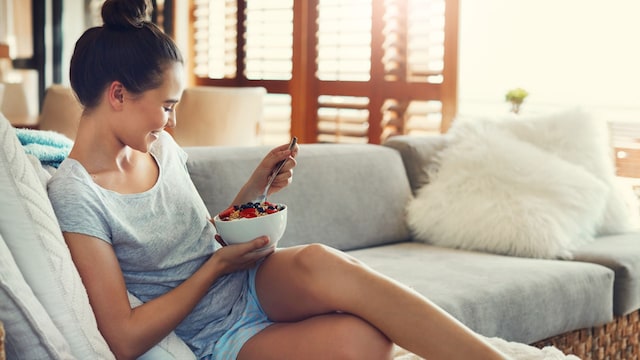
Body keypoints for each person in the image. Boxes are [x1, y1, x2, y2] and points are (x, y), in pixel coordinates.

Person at [47, 0, 511, 359]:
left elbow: (200, 236)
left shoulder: (161, 151)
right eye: (167, 106)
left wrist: (255, 191)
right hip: (212, 333)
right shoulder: (77, 193)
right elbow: (123, 338)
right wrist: (214, 268)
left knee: (323, 262)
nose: (171, 123)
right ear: (118, 95)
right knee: (366, 345)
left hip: (249, 282)